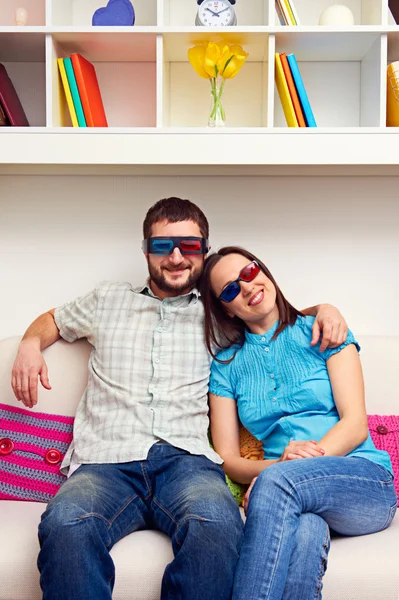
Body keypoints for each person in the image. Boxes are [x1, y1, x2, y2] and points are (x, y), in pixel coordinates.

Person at [12, 198, 348, 600]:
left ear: (203, 252)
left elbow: (272, 312)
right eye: (162, 246)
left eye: (188, 246)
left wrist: (325, 309)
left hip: (186, 462)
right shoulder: (107, 300)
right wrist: (30, 344)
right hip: (105, 461)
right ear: (145, 251)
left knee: (218, 525)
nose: (175, 257)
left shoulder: (220, 312)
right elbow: (53, 320)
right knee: (66, 523)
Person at [200, 245, 397, 600]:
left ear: (263, 271)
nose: (246, 287)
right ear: (225, 309)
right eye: (230, 289)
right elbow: (227, 458)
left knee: (275, 486)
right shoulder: (226, 366)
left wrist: (286, 472)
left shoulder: (324, 329)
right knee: (306, 533)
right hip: (291, 492)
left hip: (363, 481)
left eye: (249, 272)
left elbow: (355, 427)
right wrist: (279, 465)